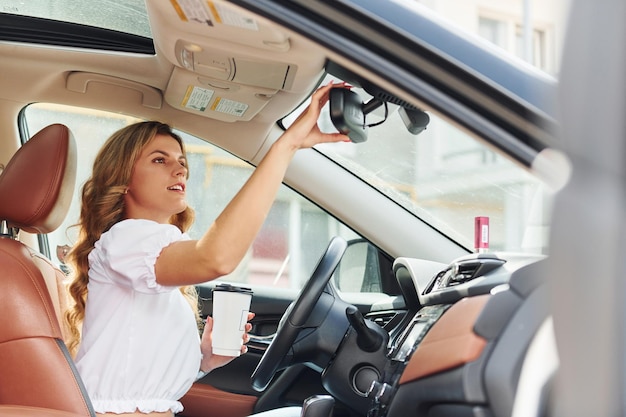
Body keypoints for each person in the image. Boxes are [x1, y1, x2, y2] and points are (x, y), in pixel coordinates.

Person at [64, 82, 350, 417]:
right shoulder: (126, 240)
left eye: (181, 161)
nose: (180, 168)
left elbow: (137, 361)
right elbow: (216, 258)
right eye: (160, 159)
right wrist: (285, 146)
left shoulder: (152, 248)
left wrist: (203, 359)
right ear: (123, 179)